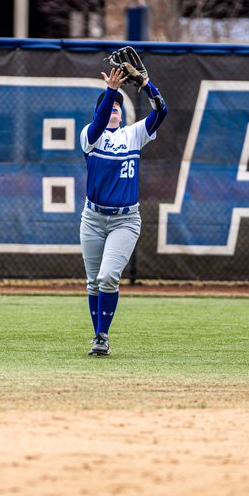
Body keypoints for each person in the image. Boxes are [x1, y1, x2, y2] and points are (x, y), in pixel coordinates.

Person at [80, 49, 168, 357]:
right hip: (92, 218)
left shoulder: (134, 135)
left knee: (107, 277)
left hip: (125, 220)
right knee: (93, 282)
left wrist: (146, 83)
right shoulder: (89, 137)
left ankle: (103, 334)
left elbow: (161, 111)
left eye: (118, 106)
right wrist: (111, 91)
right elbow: (100, 118)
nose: (114, 108)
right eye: (109, 107)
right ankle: (99, 338)